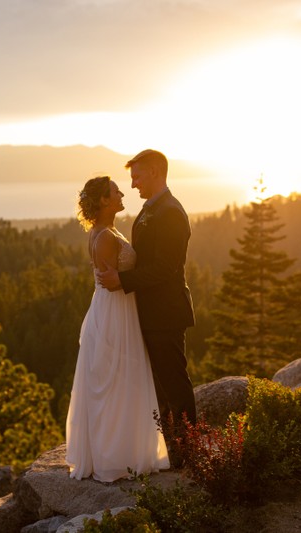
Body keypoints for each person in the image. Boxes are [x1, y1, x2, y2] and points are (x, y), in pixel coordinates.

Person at [65, 175, 169, 482]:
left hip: (111, 309)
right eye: (115, 191)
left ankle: (114, 451)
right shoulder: (107, 237)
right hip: (115, 312)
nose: (122, 193)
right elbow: (110, 282)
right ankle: (117, 456)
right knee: (119, 380)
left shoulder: (104, 231)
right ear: (103, 201)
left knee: (114, 381)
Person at [96, 149, 197, 462]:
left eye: (137, 176)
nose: (133, 183)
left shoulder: (170, 212)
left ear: (155, 172)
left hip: (166, 312)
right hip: (150, 312)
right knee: (159, 386)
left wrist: (124, 282)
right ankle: (171, 449)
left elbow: (166, 267)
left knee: (173, 382)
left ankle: (189, 450)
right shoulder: (152, 209)